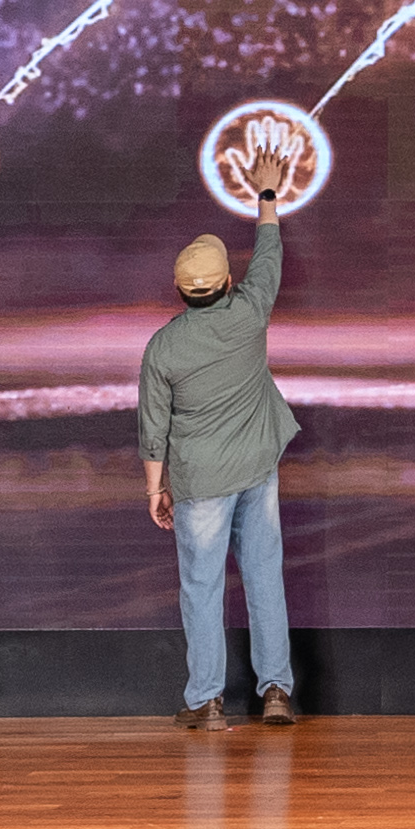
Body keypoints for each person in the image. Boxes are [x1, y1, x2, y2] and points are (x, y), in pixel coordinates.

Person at [140, 149, 312, 734]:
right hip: (257, 468)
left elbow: (153, 427)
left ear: (178, 289)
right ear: (228, 284)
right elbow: (269, 257)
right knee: (265, 577)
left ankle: (207, 700)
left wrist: (155, 489)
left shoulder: (163, 346)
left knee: (201, 587)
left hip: (199, 480)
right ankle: (276, 692)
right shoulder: (249, 312)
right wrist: (266, 196)